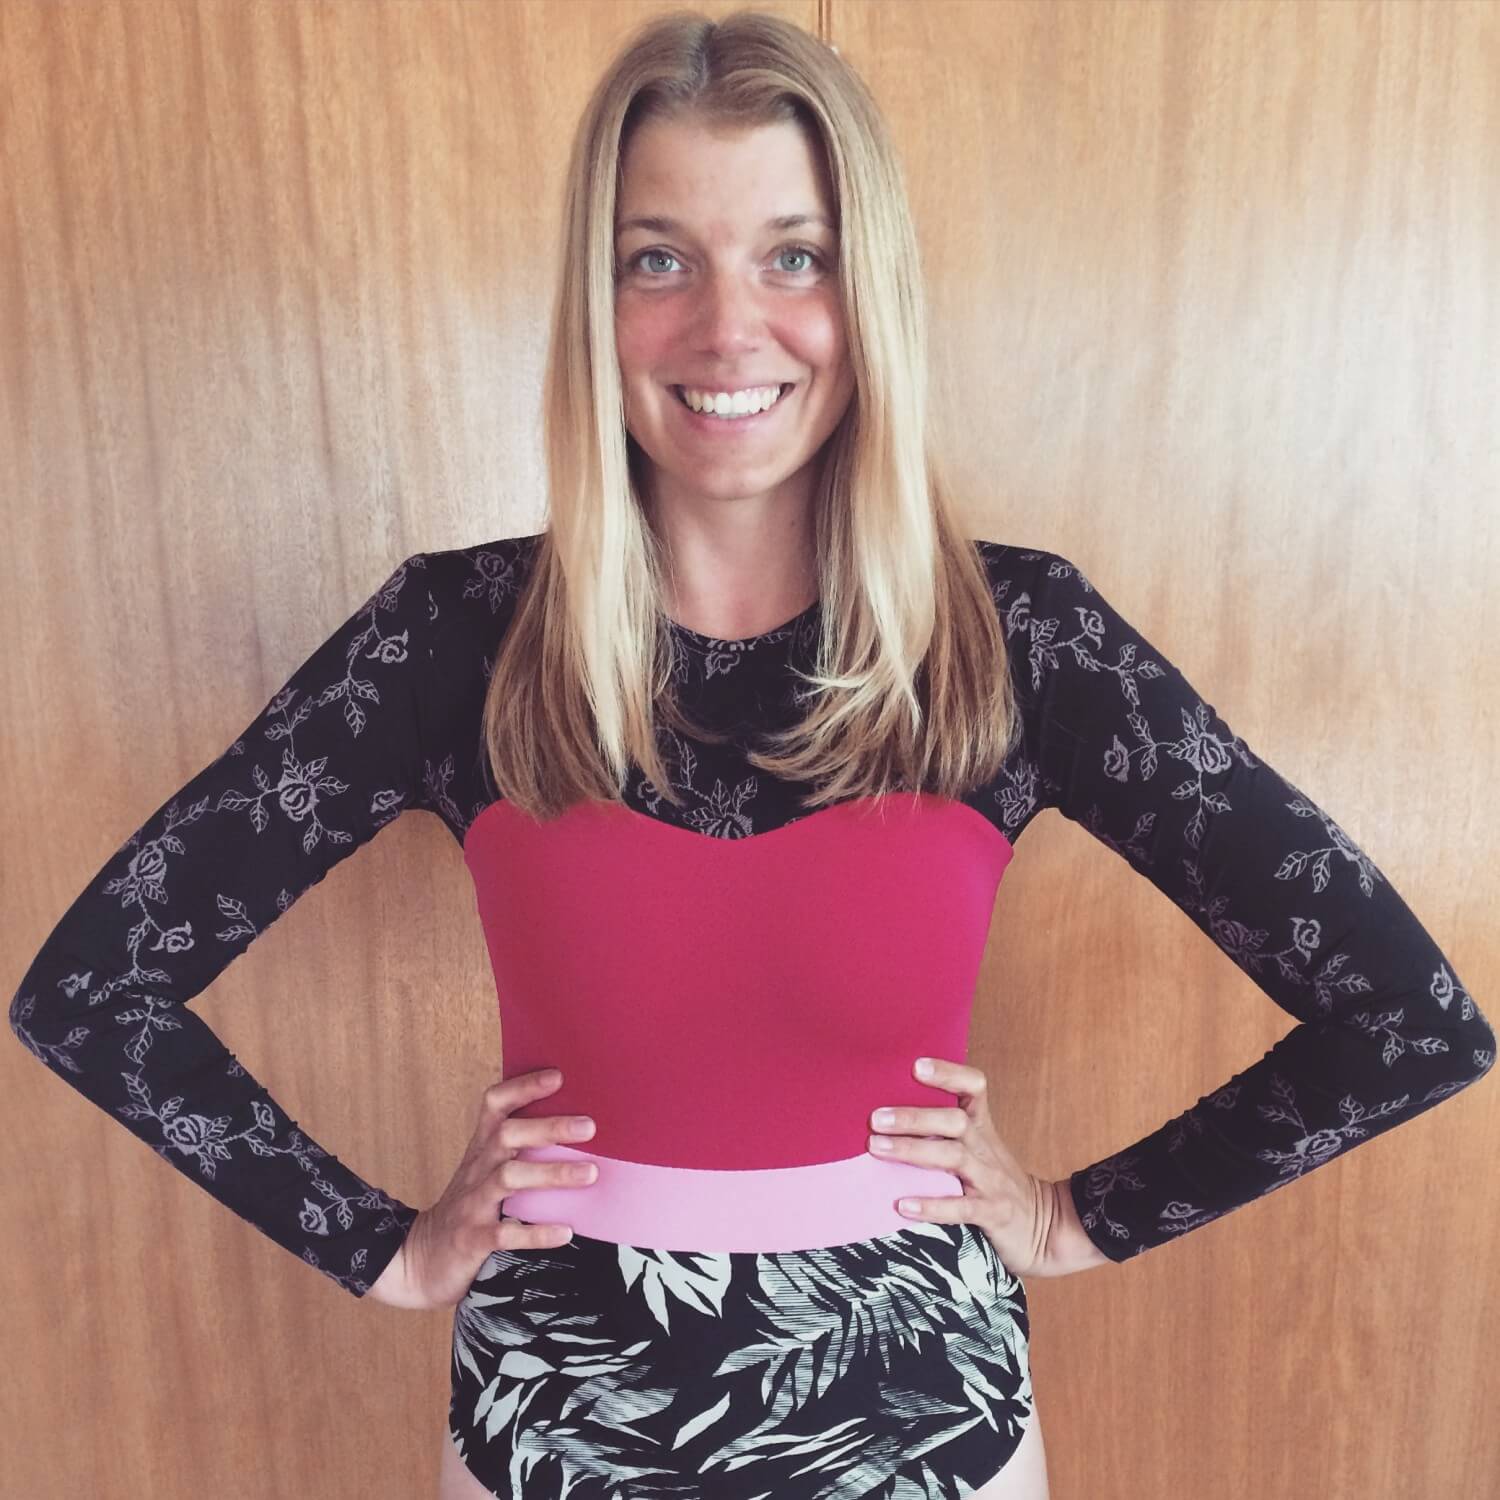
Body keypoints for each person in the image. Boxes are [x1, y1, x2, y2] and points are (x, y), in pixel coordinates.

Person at [10, 10, 1492, 1500]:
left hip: (929, 1430)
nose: (729, 330)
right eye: (658, 259)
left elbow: (1407, 1019)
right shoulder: (456, 636)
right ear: (595, 303)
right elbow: (93, 990)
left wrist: (1073, 1219)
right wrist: (385, 1248)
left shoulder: (1019, 638)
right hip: (551, 1430)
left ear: (869, 290)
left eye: (796, 257)